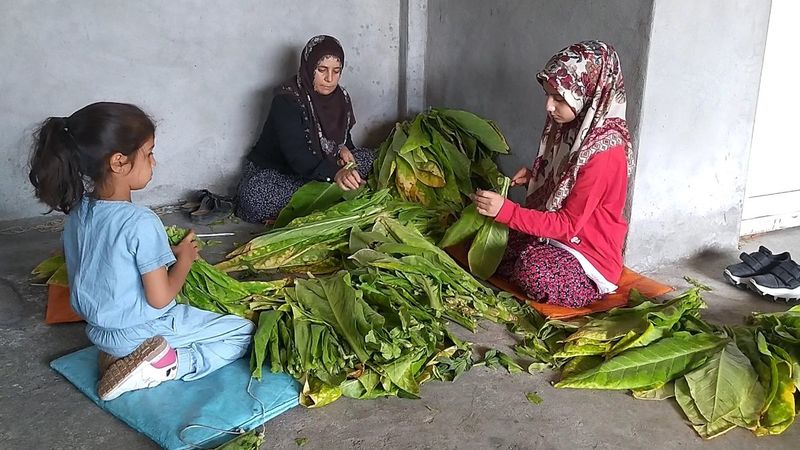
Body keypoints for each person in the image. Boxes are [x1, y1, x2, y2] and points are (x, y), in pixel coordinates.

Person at [28, 102, 254, 400]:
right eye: (148, 153)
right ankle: (167, 365)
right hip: (143, 330)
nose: (154, 162)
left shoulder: (79, 212)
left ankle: (121, 358)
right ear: (119, 163)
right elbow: (160, 299)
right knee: (243, 333)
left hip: (99, 333)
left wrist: (166, 251)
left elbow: (110, 260)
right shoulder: (141, 221)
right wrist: (183, 260)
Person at [472, 41, 633, 308]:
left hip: (588, 254)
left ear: (588, 93)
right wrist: (538, 176)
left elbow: (567, 224)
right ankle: (534, 253)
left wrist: (507, 211)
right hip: (559, 240)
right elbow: (571, 180)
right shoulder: (578, 128)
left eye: (559, 98)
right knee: (493, 245)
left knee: (532, 270)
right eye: (549, 96)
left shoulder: (604, 152)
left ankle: (591, 290)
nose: (549, 106)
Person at [236, 35, 374, 223]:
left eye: (336, 71)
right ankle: (329, 197)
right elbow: (297, 155)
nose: (329, 79)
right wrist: (335, 173)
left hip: (320, 171)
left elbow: (343, 138)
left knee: (367, 158)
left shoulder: (341, 97)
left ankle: (311, 202)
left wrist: (343, 150)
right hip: (279, 173)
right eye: (322, 70)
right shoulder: (287, 99)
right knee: (254, 197)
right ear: (309, 68)